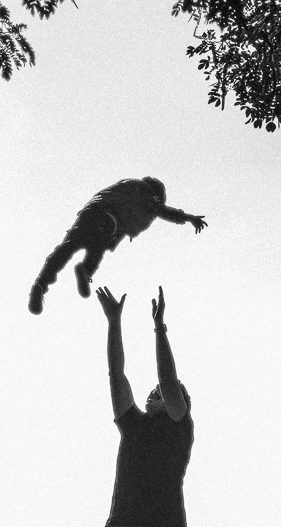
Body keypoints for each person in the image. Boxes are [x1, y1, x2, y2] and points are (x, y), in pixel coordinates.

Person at [29, 178, 206, 314]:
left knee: (67, 248)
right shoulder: (145, 192)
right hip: (106, 220)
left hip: (88, 213)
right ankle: (85, 271)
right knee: (96, 252)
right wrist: (190, 218)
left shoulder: (124, 186)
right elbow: (163, 211)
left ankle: (41, 284)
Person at [97, 285, 193, 527]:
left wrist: (159, 327)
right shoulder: (133, 425)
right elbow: (116, 374)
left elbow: (168, 379)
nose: (154, 391)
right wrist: (113, 322)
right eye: (153, 389)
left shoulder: (179, 428)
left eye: (160, 393)